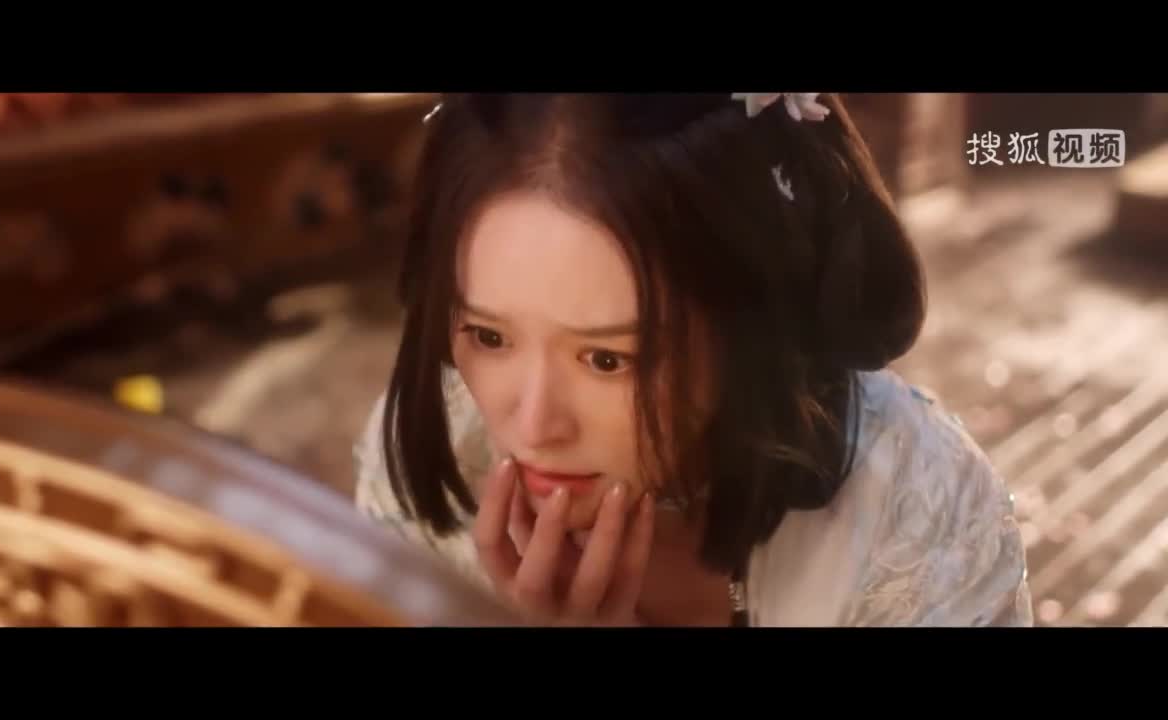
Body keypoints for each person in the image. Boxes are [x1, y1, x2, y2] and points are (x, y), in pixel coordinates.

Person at [352, 93, 1033, 627]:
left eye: (607, 359)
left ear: (749, 323)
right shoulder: (436, 456)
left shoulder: (917, 520)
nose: (532, 426)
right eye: (489, 337)